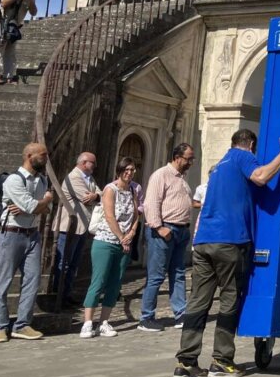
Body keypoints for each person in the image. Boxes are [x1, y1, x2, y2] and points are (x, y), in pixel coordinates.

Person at [174, 129, 280, 377]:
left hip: (203, 242)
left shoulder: (221, 164)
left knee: (198, 302)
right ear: (250, 144)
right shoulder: (242, 157)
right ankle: (221, 361)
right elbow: (261, 176)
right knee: (230, 300)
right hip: (229, 240)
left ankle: (186, 364)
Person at [0, 142, 53, 342]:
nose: (45, 159)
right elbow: (34, 206)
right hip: (11, 234)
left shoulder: (42, 180)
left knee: (32, 280)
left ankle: (22, 324)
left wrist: (38, 205)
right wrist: (44, 202)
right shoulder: (13, 181)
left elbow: (43, 210)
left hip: (32, 234)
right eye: (42, 155)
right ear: (29, 156)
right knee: (4, 281)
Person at [80, 156, 141, 339]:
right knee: (98, 281)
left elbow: (136, 215)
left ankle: (104, 322)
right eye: (126, 169)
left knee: (115, 283)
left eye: (132, 170)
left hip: (124, 243)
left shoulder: (132, 190)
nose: (129, 173)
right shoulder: (110, 189)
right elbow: (109, 216)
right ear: (120, 170)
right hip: (106, 241)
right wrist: (121, 236)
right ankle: (87, 322)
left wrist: (131, 233)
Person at [139, 143, 195, 332]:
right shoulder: (161, 175)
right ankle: (146, 317)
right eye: (188, 159)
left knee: (178, 273)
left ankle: (180, 314)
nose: (190, 162)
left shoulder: (182, 179)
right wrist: (158, 226)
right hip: (164, 231)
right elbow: (151, 203)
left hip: (180, 231)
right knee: (156, 275)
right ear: (177, 157)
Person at [52, 151, 100, 307]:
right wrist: (95, 196)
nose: (95, 165)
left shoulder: (89, 178)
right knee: (63, 263)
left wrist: (95, 196)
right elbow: (85, 197)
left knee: (74, 263)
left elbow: (101, 194)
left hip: (82, 227)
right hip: (69, 227)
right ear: (84, 162)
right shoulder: (74, 177)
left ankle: (67, 293)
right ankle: (58, 294)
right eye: (93, 162)